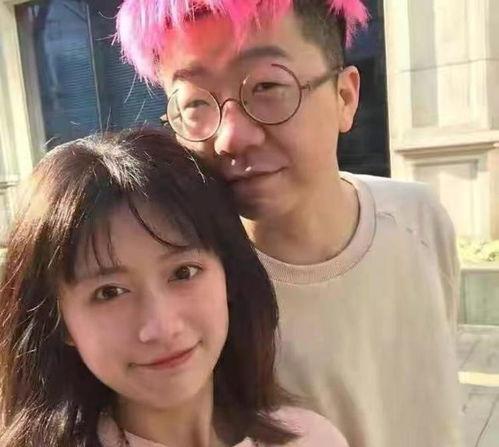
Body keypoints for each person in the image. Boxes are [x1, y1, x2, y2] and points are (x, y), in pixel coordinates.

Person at [115, 1, 464, 446]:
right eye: (195, 104)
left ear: (344, 97)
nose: (230, 137)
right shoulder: (191, 300)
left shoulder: (418, 217)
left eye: (266, 86)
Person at [0, 129, 348, 447]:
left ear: (228, 274)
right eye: (109, 292)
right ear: (59, 320)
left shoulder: (313, 440)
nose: (162, 327)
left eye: (183, 272)